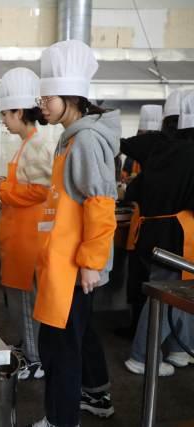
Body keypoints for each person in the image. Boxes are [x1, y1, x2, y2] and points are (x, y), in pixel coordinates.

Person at [28, 40, 119, 426]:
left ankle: (61, 420)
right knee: (71, 339)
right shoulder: (69, 140)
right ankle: (92, 397)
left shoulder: (85, 141)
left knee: (59, 349)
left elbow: (100, 205)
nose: (43, 105)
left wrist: (91, 263)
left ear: (71, 98)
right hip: (61, 263)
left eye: (48, 98)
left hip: (73, 268)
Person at [123, 89, 194, 377]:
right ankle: (142, 356)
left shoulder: (159, 149)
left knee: (177, 293)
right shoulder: (189, 153)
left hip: (151, 232)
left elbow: (133, 190)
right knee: (166, 297)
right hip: (177, 236)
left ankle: (178, 348)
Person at [0, 67, 55, 380]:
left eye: (6, 114)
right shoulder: (25, 143)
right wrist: (5, 185)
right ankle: (27, 345)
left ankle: (35, 360)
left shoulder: (37, 144)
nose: (4, 121)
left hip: (28, 238)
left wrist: (2, 189)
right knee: (20, 301)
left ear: (19, 112)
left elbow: (40, 190)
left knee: (26, 301)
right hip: (17, 234)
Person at [121, 104, 163, 331]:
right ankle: (137, 325)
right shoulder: (136, 159)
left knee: (143, 280)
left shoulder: (155, 162)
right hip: (144, 224)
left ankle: (139, 329)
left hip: (146, 227)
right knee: (141, 279)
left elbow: (131, 191)